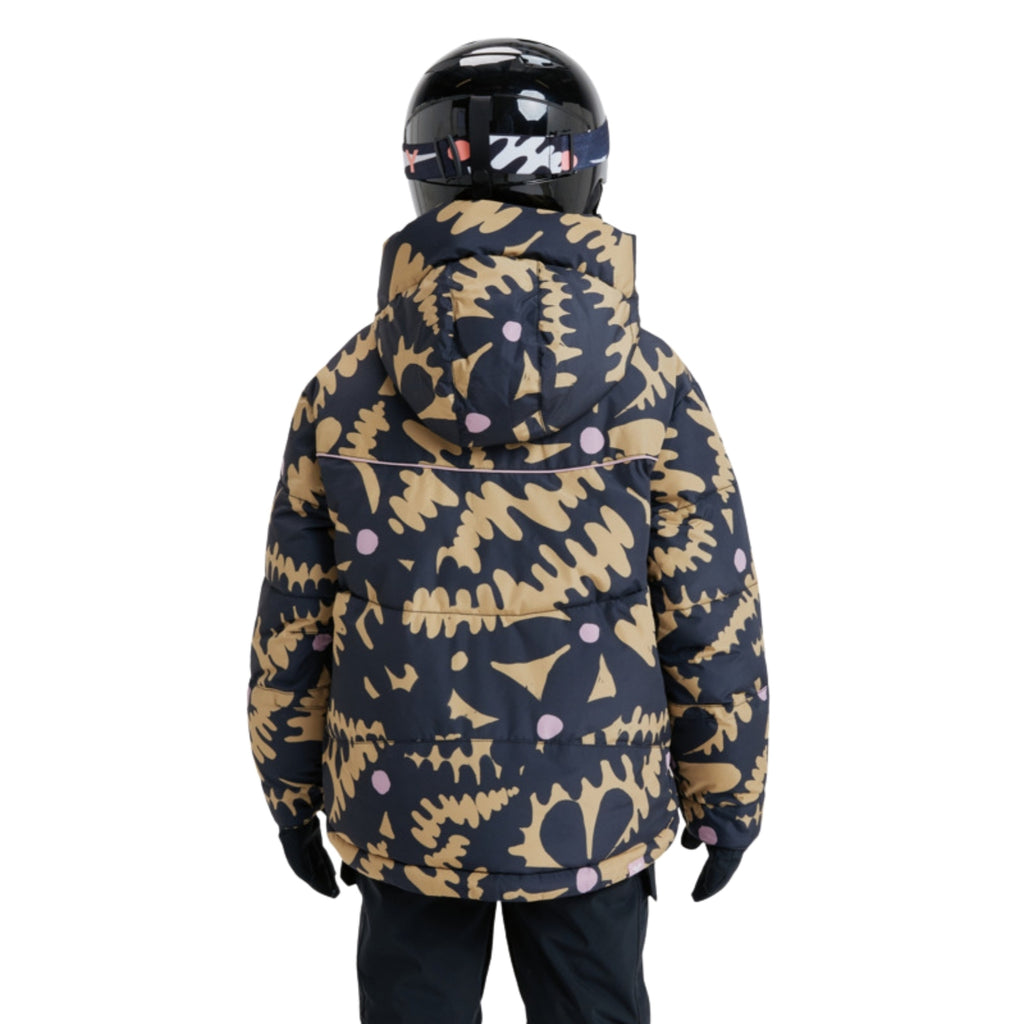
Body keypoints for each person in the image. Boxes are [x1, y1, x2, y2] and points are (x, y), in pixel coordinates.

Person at [247, 38, 769, 1024]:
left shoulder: (345, 387)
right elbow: (709, 612)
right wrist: (728, 793)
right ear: (583, 173)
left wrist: (288, 786)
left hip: (406, 807)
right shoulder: (650, 383)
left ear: (423, 175)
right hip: (593, 810)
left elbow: (296, 617)